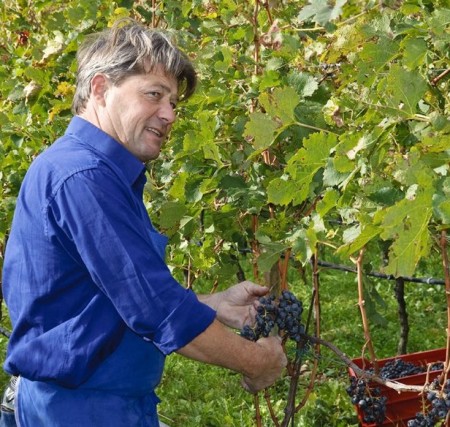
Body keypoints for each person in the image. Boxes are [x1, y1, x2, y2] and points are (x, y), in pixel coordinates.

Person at [1, 19, 287, 427]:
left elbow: (114, 300)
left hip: (91, 405)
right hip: (84, 411)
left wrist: (214, 305)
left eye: (173, 103)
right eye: (154, 94)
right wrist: (257, 361)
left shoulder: (93, 171)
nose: (169, 115)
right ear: (100, 88)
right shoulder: (83, 176)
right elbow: (155, 309)